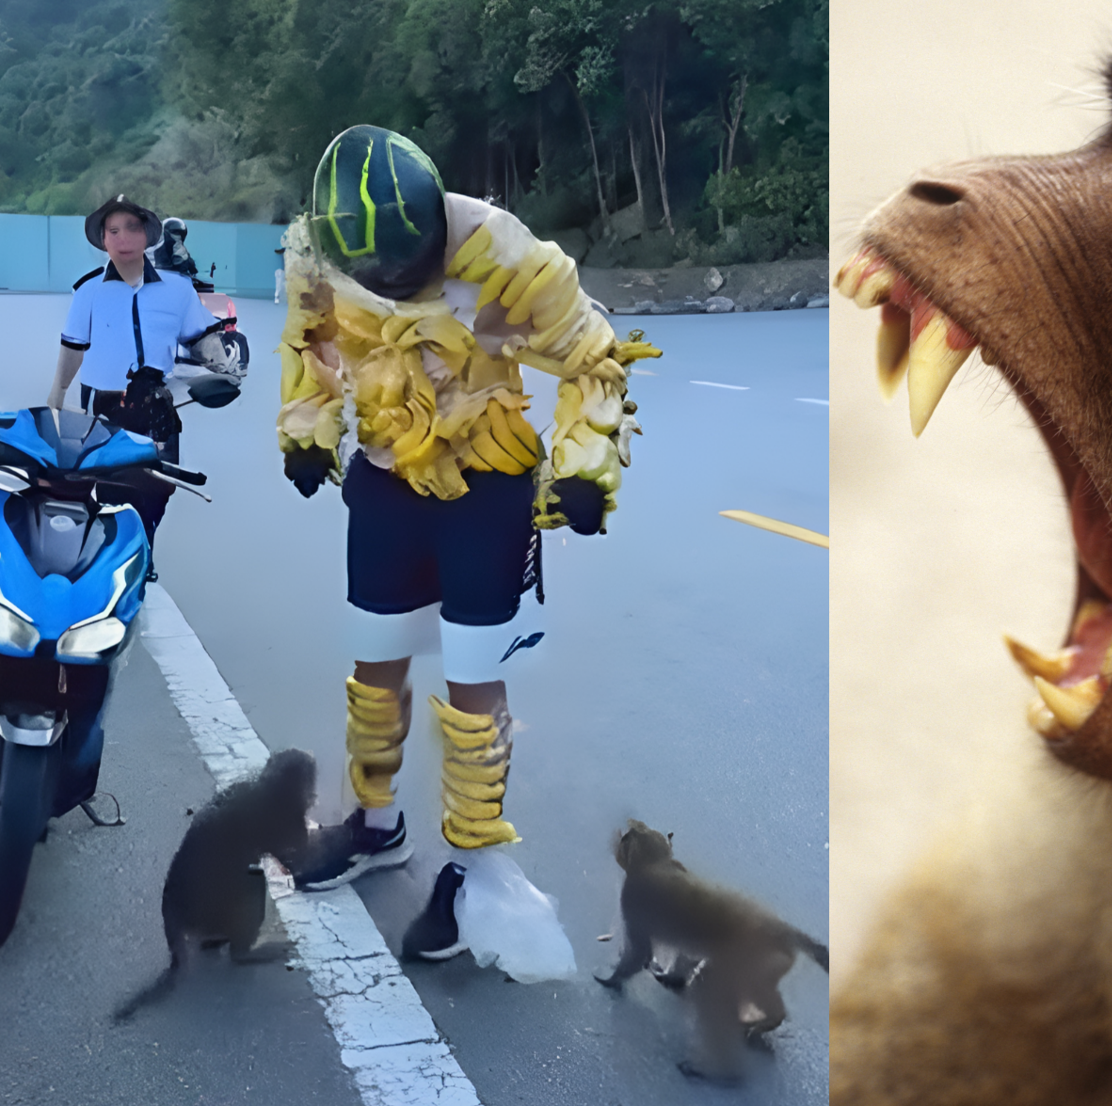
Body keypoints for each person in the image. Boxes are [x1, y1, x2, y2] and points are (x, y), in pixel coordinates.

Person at [277, 126, 659, 964]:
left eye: (410, 267)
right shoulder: (316, 252)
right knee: (375, 664)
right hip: (384, 477)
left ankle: (475, 866)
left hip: (485, 486)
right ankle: (377, 825)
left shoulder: (500, 249)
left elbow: (593, 360)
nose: (393, 284)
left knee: (473, 679)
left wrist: (585, 468)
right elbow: (313, 347)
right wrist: (308, 426)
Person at [48, 196, 234, 577]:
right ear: (102, 239)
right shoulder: (88, 292)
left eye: (132, 228)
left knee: (159, 487)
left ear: (148, 234)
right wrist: (58, 392)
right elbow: (73, 346)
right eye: (113, 230)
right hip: (103, 407)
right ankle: (123, 558)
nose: (123, 238)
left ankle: (143, 544)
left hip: (156, 407)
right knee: (110, 487)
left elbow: (199, 336)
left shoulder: (178, 290)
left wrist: (222, 357)